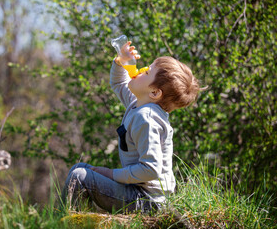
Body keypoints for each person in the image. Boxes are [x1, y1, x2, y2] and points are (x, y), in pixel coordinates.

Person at [61, 41, 204, 213]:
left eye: (148, 71)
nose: (142, 69)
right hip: (139, 192)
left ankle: (68, 222)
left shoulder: (147, 119)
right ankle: (79, 220)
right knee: (79, 169)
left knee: (79, 178)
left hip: (149, 202)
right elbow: (119, 84)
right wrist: (120, 62)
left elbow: (151, 169)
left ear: (155, 93)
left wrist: (110, 173)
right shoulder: (140, 103)